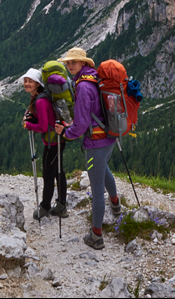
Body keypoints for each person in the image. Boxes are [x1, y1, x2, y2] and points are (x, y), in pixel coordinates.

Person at [54, 47, 121, 250]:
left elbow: (82, 125)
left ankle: (96, 236)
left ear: (84, 63)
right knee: (104, 170)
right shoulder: (94, 78)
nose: (69, 66)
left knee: (96, 188)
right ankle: (116, 204)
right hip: (109, 136)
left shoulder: (83, 86)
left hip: (96, 143)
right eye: (67, 63)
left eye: (73, 62)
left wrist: (66, 133)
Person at [21, 68, 69, 220]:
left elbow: (42, 126)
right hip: (57, 140)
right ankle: (61, 205)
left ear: (38, 84)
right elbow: (45, 120)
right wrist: (31, 117)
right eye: (25, 81)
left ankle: (45, 206)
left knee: (48, 174)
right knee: (57, 172)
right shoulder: (41, 98)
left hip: (52, 143)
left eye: (30, 81)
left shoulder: (40, 101)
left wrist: (29, 125)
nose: (27, 84)